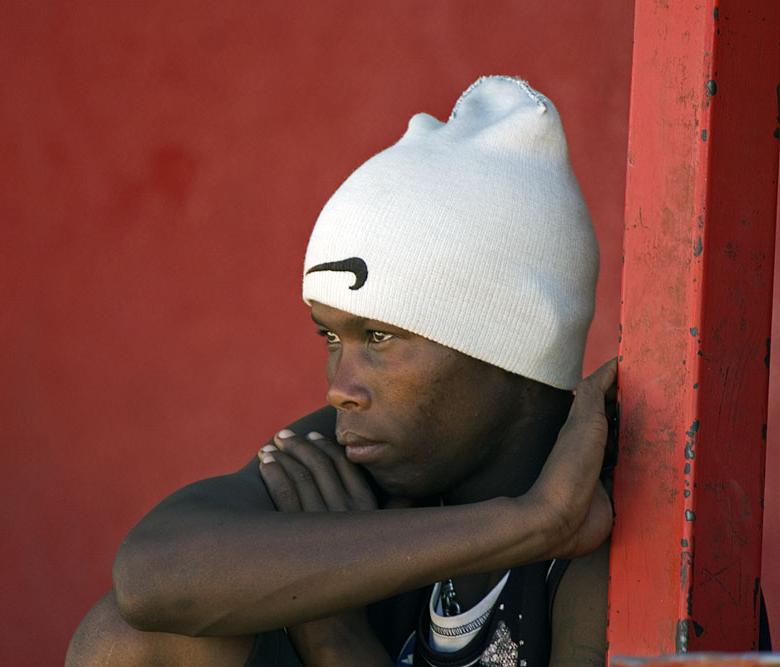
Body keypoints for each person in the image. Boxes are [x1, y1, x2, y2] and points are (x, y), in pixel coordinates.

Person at [67, 75, 616, 666]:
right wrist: (533, 523)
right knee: (129, 642)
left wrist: (332, 631)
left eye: (379, 337)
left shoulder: (605, 518)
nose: (340, 388)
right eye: (331, 337)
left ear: (512, 344)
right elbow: (153, 578)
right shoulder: (362, 458)